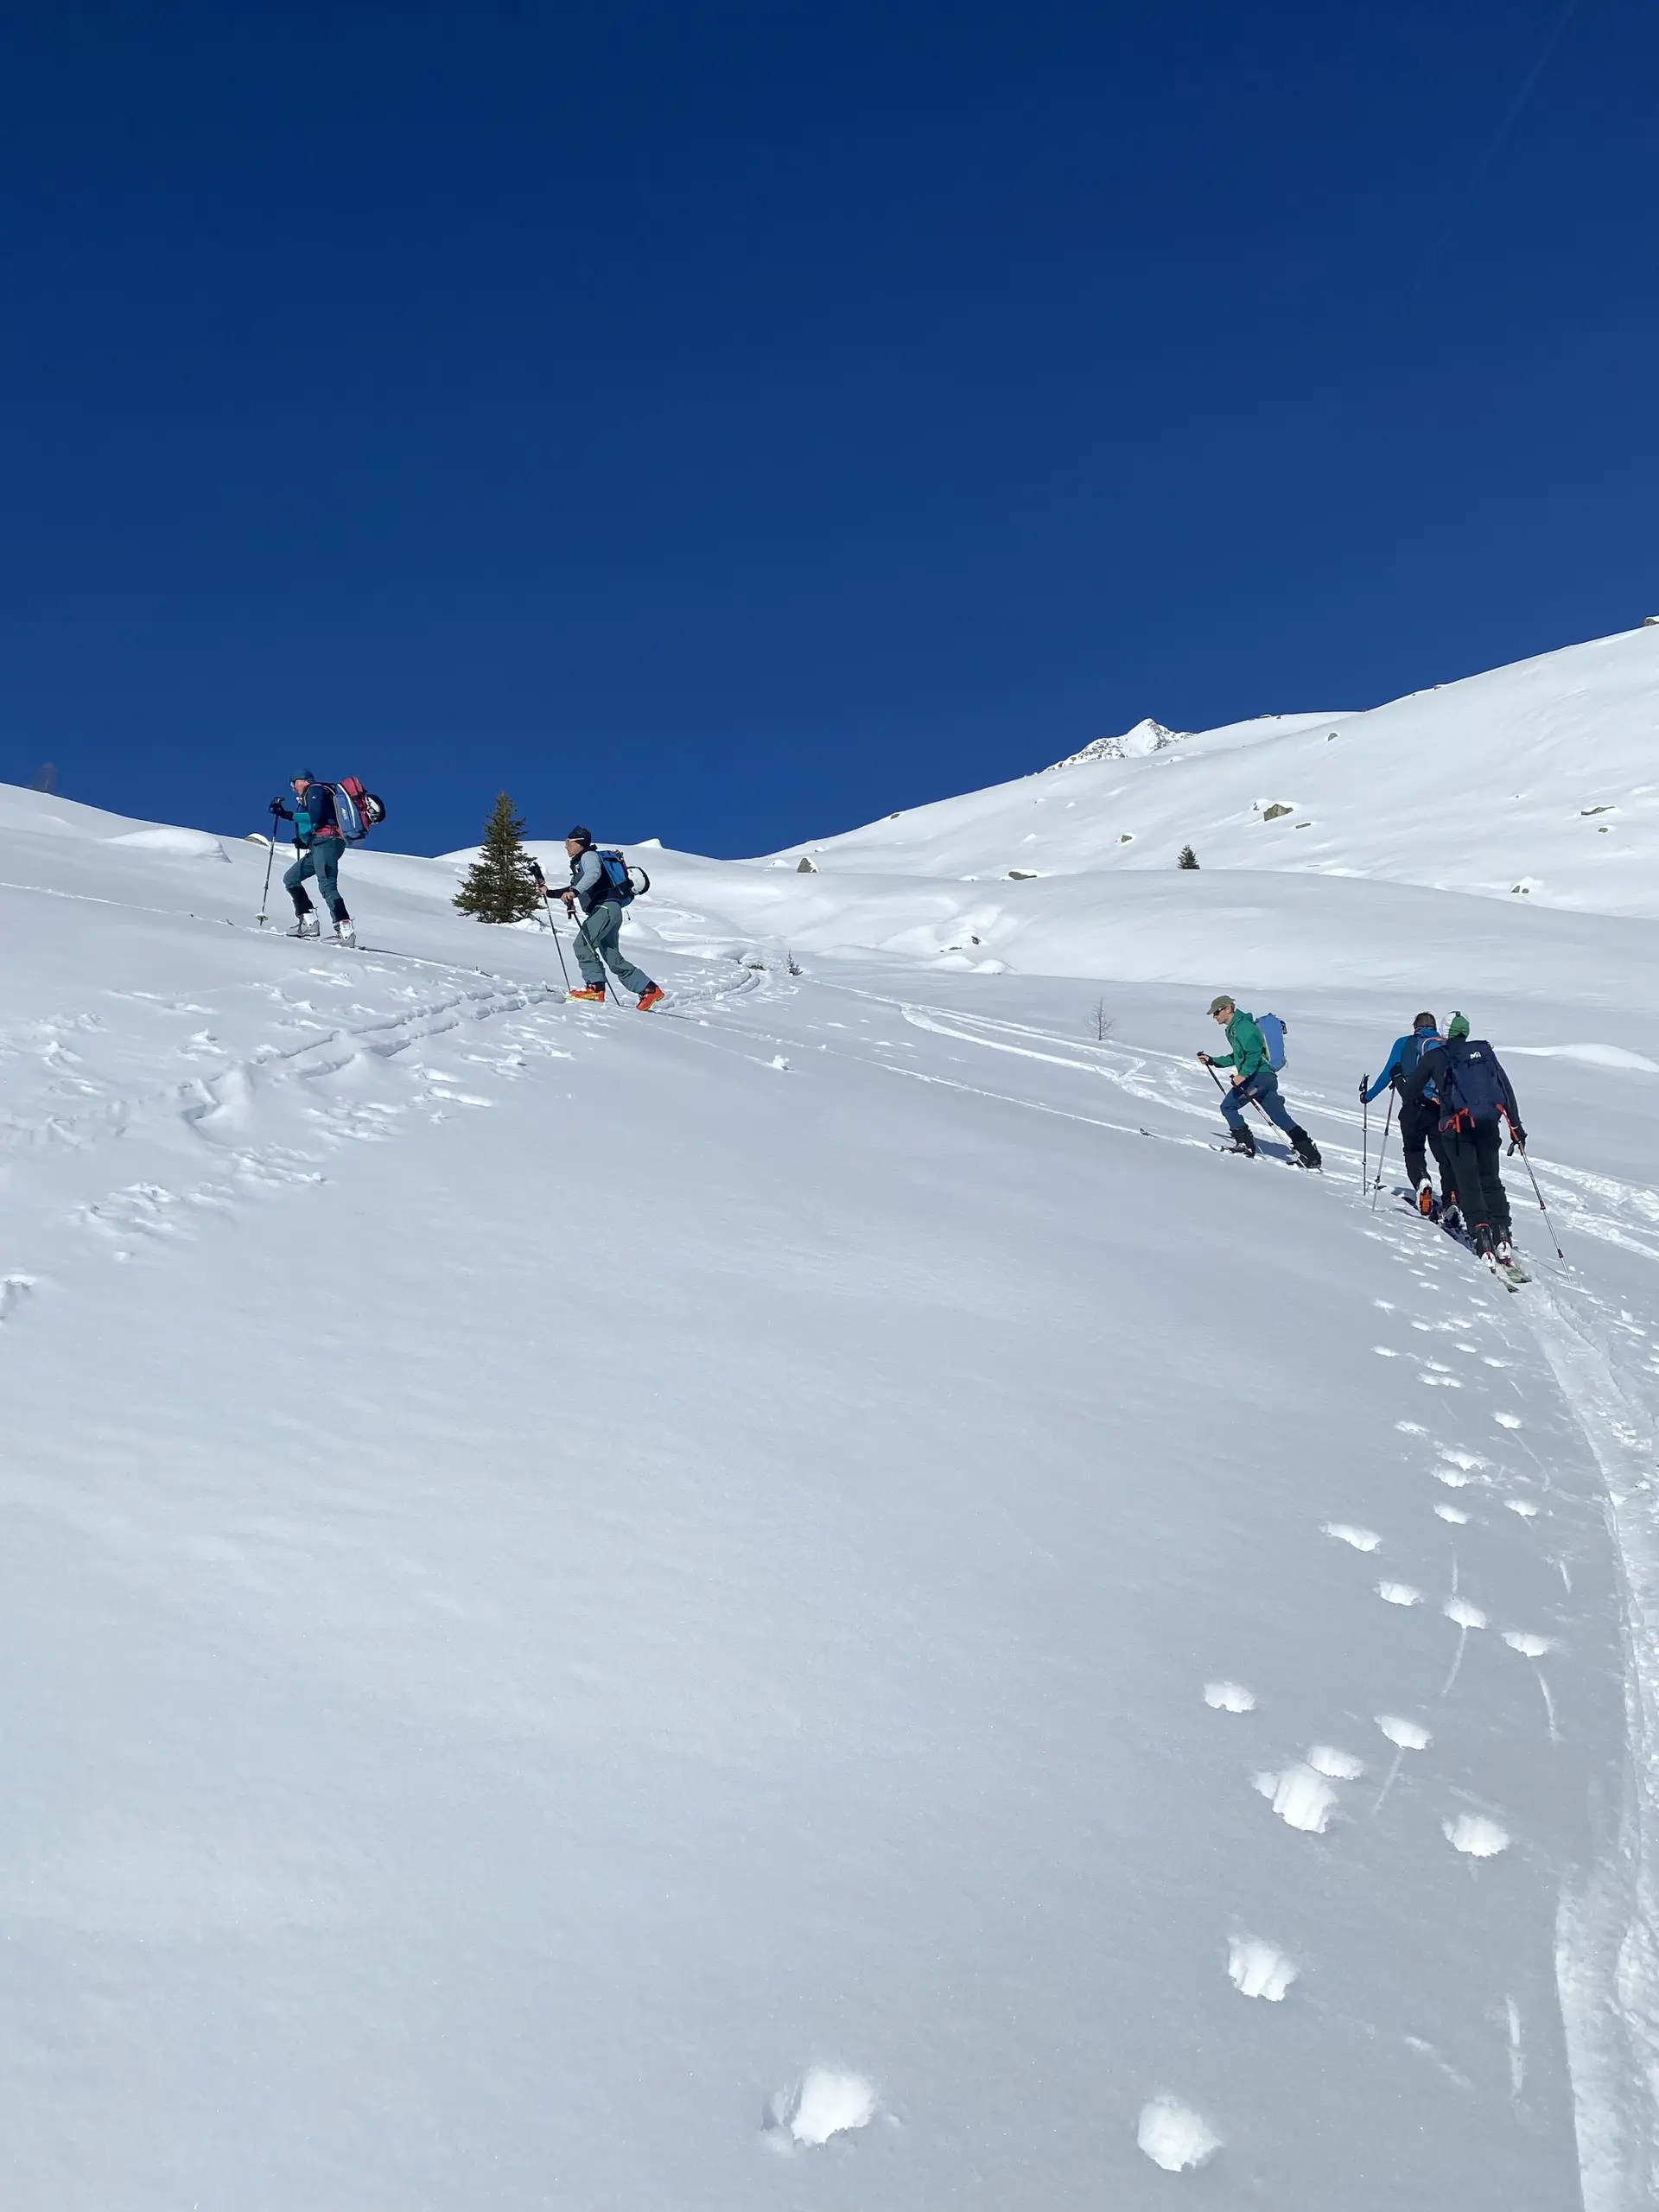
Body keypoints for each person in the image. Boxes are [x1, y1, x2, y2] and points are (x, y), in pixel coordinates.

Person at [1398, 1014, 1526, 1263]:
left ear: (1444, 1032)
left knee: (1467, 1181)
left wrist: (1399, 1079)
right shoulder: (1484, 1052)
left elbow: (1410, 1093)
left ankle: (1480, 1235)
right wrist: (1516, 1125)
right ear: (1466, 1032)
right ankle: (1502, 1235)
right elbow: (1505, 1089)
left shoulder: (1435, 1056)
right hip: (1489, 1124)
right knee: (1491, 1179)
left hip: (1456, 1128)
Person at [1198, 995, 1321, 1166]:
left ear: (1228, 1009)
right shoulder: (1235, 1028)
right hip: (1266, 1078)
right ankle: (1311, 1155)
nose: (1215, 1017)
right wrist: (1213, 1061)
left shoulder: (1242, 1027)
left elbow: (1254, 1054)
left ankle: (1245, 1145)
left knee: (1228, 1106)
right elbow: (1238, 1056)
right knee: (1280, 1117)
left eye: (1217, 1012)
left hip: (1258, 1078)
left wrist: (1244, 1075)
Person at [557, 826, 664, 1010]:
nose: (565, 847)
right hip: (612, 909)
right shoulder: (582, 863)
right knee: (612, 956)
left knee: (583, 944)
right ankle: (649, 989)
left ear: (577, 842)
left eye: (567, 842)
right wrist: (550, 892)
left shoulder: (588, 856)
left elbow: (593, 875)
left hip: (604, 908)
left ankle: (595, 988)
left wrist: (574, 892)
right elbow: (578, 884)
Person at [1361, 1012, 1454, 1220]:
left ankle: (1422, 1180)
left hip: (1413, 1108)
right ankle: (1452, 1199)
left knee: (1413, 1150)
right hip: (1441, 1110)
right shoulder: (1444, 1047)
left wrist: (1369, 1096)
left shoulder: (1404, 1043)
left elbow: (1388, 1073)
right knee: (1445, 1158)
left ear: (1415, 1027)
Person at [270, 772, 354, 945]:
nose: (293, 788)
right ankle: (309, 922)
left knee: (327, 885)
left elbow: (315, 817)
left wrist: (287, 815)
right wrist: (306, 840)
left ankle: (345, 932)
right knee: (291, 878)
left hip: (327, 843)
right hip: (320, 844)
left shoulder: (314, 790)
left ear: (303, 780)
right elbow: (317, 822)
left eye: (294, 783)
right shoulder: (314, 794)